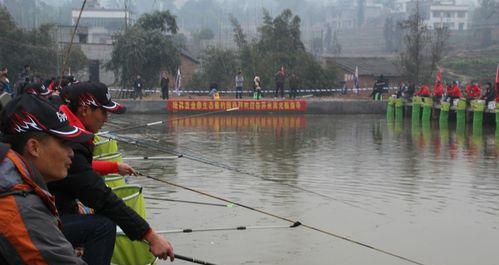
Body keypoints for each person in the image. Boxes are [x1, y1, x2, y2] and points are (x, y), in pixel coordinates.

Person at [52, 81, 175, 262]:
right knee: (103, 226)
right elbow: (101, 197)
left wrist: (114, 167)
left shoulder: (66, 126)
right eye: (103, 112)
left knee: (87, 215)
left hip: (53, 210)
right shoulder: (69, 142)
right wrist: (150, 236)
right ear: (85, 110)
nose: (106, 119)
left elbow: (80, 172)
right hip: (40, 222)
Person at [0, 94, 93, 264]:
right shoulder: (21, 208)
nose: (72, 152)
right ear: (34, 147)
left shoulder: (16, 183)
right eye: (64, 144)